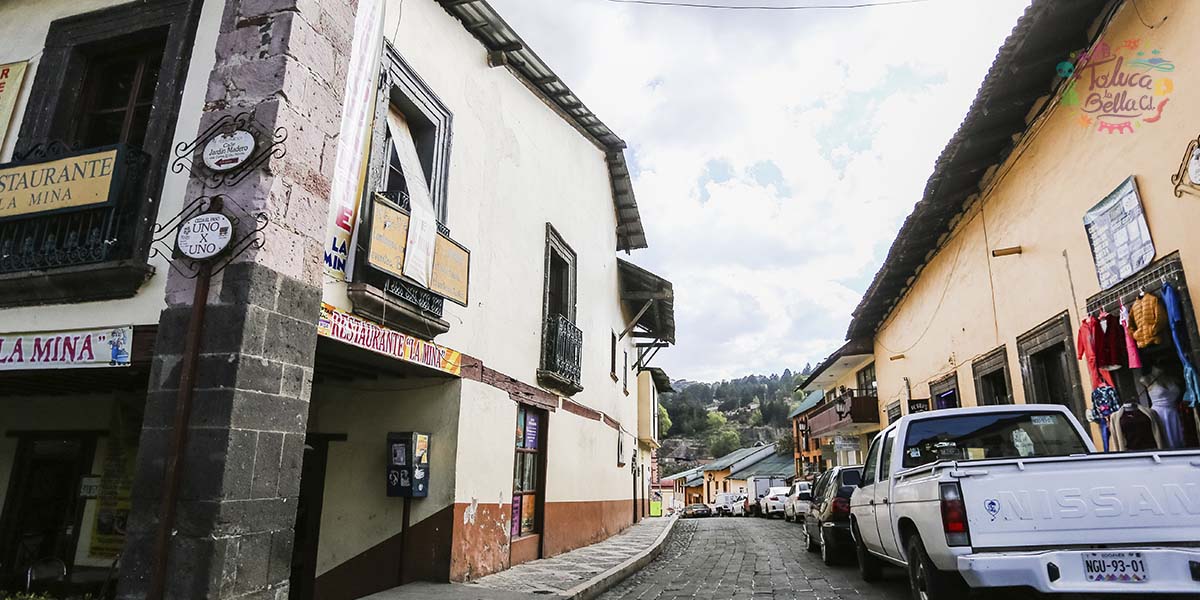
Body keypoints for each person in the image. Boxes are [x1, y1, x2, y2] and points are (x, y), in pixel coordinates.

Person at [1139, 356, 1186, 449]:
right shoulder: (1146, 379)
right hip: (1159, 413)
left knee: (1178, 439)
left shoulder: (1173, 379)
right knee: (1164, 440)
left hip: (1173, 412)